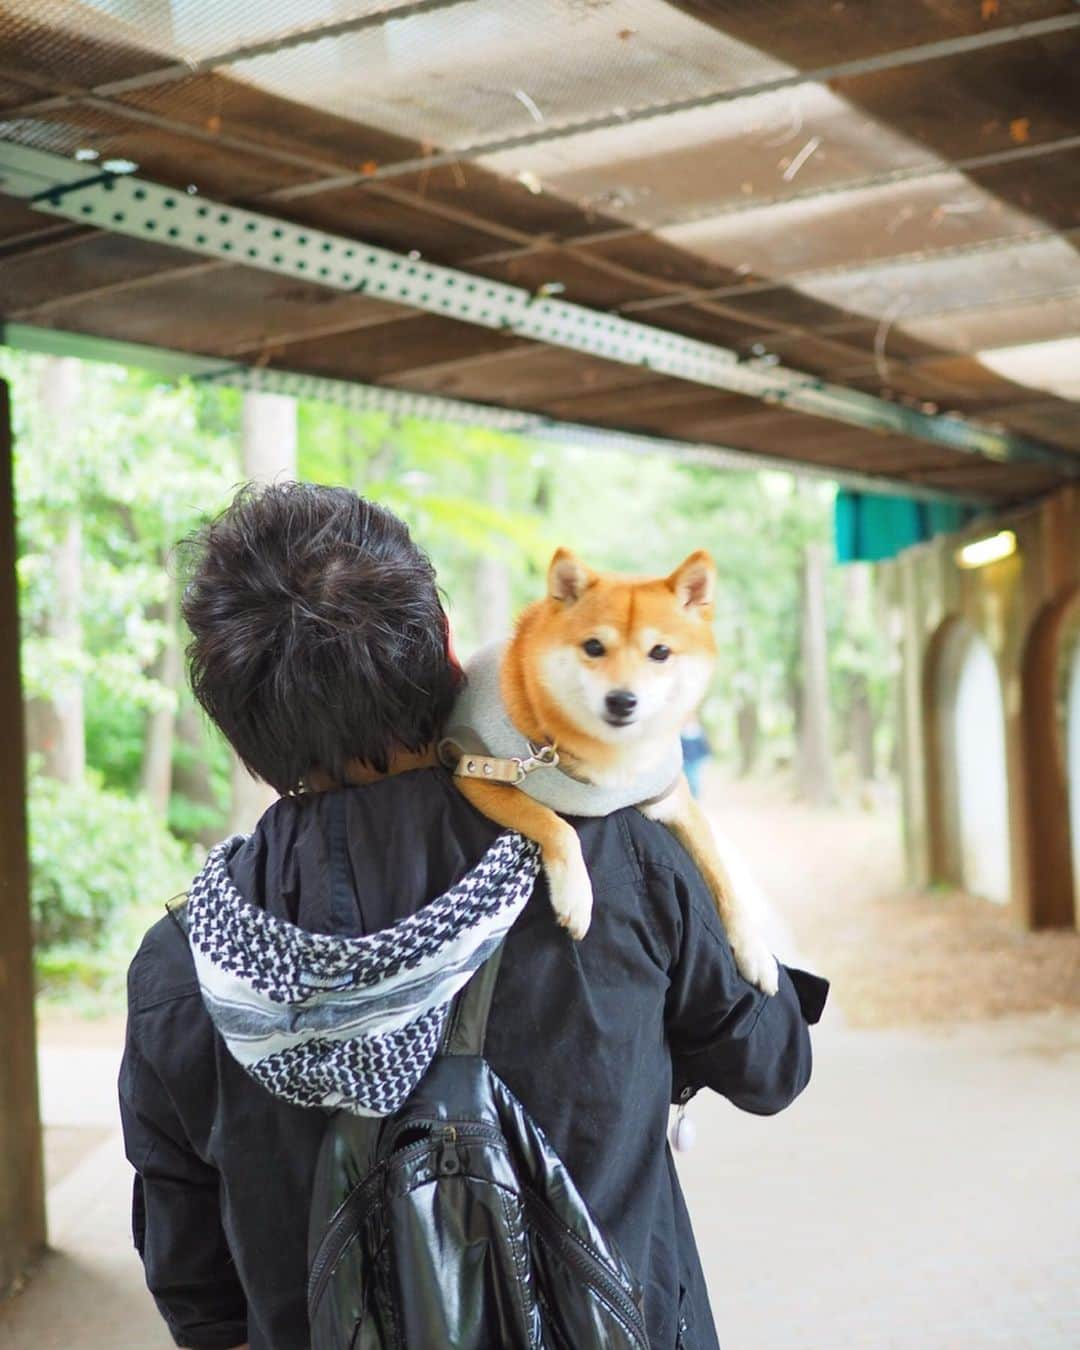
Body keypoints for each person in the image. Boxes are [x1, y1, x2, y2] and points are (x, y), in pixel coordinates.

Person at [119, 482, 827, 1350]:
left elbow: (198, 1298)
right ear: (447, 656)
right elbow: (774, 1064)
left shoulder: (184, 959)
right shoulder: (617, 858)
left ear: (237, 728)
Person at [680, 718, 712, 799]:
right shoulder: (681, 732)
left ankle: (695, 797)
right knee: (686, 781)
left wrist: (706, 758)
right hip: (685, 762)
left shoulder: (698, 731)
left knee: (694, 780)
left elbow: (704, 746)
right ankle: (689, 798)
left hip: (696, 761)